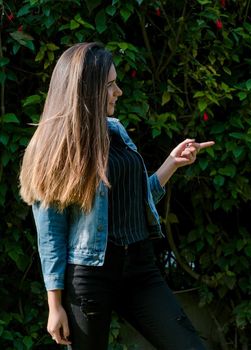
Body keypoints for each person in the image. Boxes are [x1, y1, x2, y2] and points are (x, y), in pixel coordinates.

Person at [19, 42, 213, 349]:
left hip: (139, 267)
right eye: (110, 85)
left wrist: (171, 164)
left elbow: (134, 202)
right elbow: (50, 233)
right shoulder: (55, 147)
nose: (118, 92)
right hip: (90, 275)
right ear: (86, 90)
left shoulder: (115, 132)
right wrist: (54, 305)